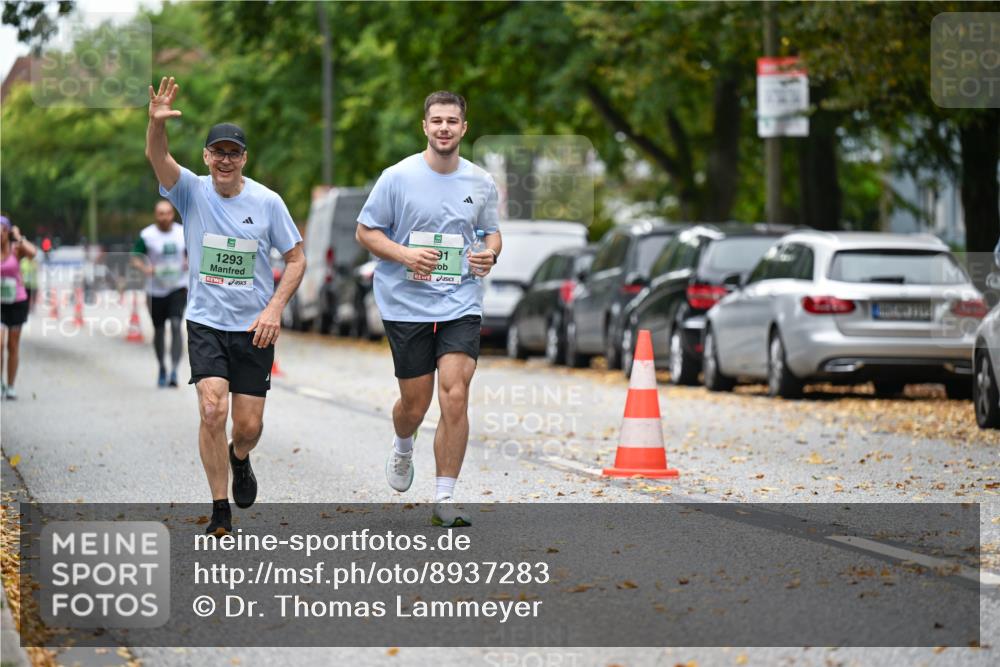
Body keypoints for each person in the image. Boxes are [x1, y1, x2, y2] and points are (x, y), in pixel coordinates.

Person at [145, 77, 306, 536]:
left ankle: (240, 457)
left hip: (255, 327)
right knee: (212, 410)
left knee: (248, 426)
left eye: (233, 152)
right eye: (217, 152)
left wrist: (274, 308)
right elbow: (158, 159)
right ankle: (220, 507)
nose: (225, 160)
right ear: (206, 157)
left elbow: (296, 259)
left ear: (244, 159)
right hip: (206, 323)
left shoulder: (268, 202)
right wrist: (156, 125)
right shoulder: (191, 191)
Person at [355, 91, 501, 527]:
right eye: (436, 120)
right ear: (425, 126)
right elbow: (366, 232)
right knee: (414, 405)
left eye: (452, 121)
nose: (444, 128)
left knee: (455, 394)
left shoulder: (481, 182)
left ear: (463, 128)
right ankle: (403, 444)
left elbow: (491, 234)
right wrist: (403, 255)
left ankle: (444, 497)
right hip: (406, 304)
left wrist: (489, 255)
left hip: (460, 301)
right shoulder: (397, 177)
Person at [131, 200, 188, 387]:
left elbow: (193, 252)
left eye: (168, 213)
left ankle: (174, 370)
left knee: (176, 323)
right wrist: (145, 267)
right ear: (156, 215)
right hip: (155, 290)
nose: (165, 217)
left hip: (178, 286)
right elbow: (135, 258)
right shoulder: (147, 235)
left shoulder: (182, 232)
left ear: (173, 214)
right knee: (159, 330)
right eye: (161, 214)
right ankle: (162, 366)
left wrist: (189, 261)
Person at [0, 216, 39, 400]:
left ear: (7, 231)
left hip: (17, 301)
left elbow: (33, 253)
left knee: (12, 345)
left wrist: (19, 236)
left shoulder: (16, 249)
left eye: (2, 229)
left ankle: (11, 385)